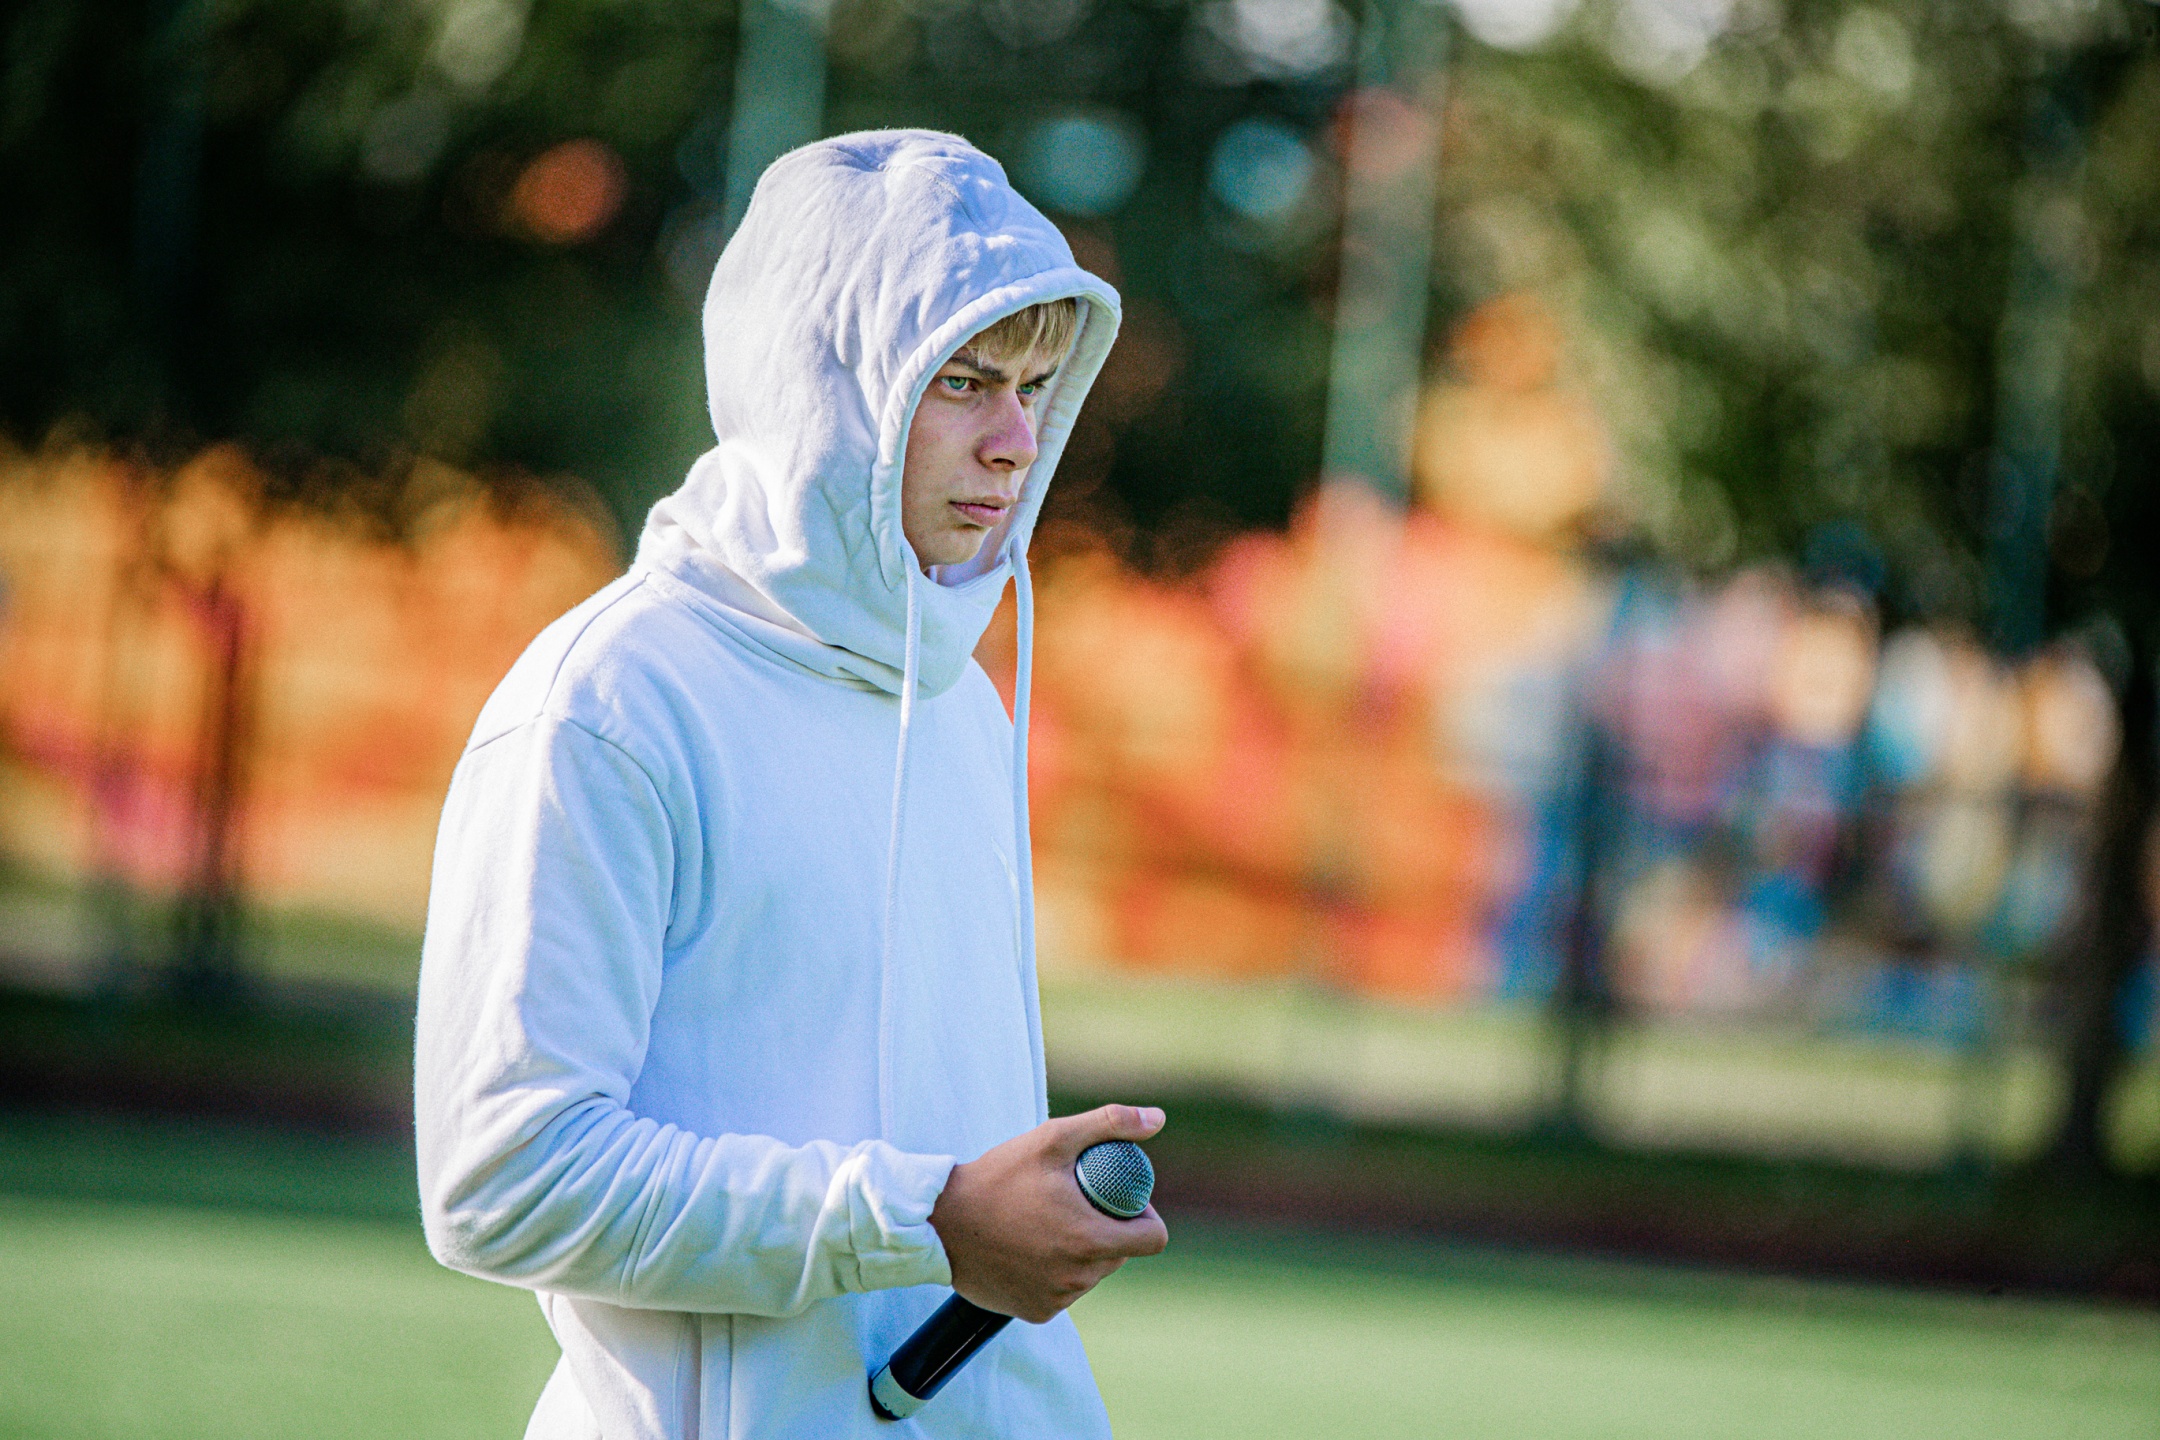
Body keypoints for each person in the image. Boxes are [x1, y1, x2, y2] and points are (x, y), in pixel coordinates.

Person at [414, 130, 1168, 1440]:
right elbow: (503, 1180)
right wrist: (925, 1219)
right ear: (822, 390)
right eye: (964, 382)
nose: (1014, 442)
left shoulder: (960, 700)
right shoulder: (609, 704)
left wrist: (991, 1225)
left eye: (1037, 387)